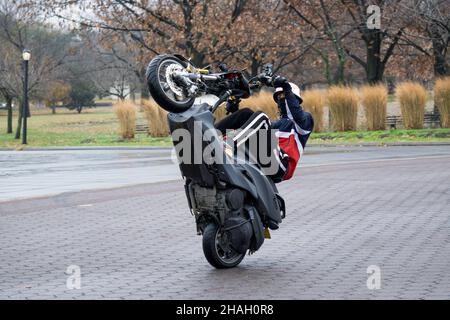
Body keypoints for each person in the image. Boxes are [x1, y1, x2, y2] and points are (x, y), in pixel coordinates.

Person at [215, 76, 314, 182]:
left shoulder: (305, 121)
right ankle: (210, 136)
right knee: (246, 114)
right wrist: (234, 110)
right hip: (264, 158)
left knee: (261, 117)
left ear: (295, 99)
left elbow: (296, 114)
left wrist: (286, 87)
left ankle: (227, 146)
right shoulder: (276, 124)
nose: (281, 99)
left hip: (281, 166)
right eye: (279, 97)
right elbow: (251, 130)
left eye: (284, 95)